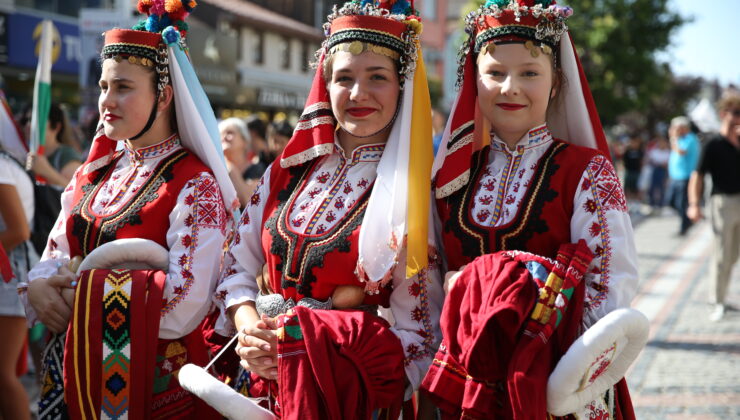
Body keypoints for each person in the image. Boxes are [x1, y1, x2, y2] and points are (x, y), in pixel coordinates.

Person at [213, 1, 443, 418]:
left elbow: (422, 338)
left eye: (377, 77)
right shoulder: (286, 171)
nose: (358, 94)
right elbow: (236, 267)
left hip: (342, 400)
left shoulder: (413, 195)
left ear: (402, 86)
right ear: (325, 83)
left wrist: (307, 352)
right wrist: (249, 332)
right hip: (256, 387)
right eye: (344, 78)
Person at [18, 1, 238, 418]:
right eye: (103, 87)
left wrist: (78, 296)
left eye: (122, 87)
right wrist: (42, 287)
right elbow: (56, 253)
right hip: (76, 378)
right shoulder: (96, 173)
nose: (106, 101)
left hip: (154, 390)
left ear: (165, 95)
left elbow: (183, 306)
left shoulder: (195, 184)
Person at [423, 0, 639, 418]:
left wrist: (550, 369)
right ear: (474, 79)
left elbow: (612, 284)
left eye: (529, 73)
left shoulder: (585, 171)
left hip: (555, 383)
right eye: (495, 73)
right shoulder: (452, 179)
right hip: (464, 383)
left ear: (556, 82)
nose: (510, 87)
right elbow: (429, 281)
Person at [687, 93, 740, 322]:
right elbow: (697, 175)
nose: (739, 118)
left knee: (733, 255)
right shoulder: (713, 144)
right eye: (736, 113)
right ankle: (716, 301)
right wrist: (693, 204)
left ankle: (723, 297)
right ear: (724, 114)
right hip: (722, 203)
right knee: (720, 253)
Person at [0, 145, 36, 420]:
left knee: (3, 375)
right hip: (12, 272)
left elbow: (19, 230)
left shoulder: (2, 168)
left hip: (10, 275)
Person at [23, 103, 84, 188]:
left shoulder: (66, 155)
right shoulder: (25, 152)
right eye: (26, 120)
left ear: (56, 126)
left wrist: (47, 171)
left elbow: (77, 191)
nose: (28, 125)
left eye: (36, 120)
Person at [666, 116, 699, 235]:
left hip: (685, 177)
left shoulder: (690, 138)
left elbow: (681, 151)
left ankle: (684, 226)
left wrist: (673, 137)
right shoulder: (680, 139)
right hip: (675, 177)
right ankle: (688, 220)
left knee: (681, 203)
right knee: (671, 201)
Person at [220, 117, 253, 208]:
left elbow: (247, 200)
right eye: (221, 134)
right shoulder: (215, 168)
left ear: (244, 141)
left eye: (230, 133)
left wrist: (230, 167)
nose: (224, 137)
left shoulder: (256, 169)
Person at [646, 135, 670, 211]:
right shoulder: (654, 151)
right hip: (655, 170)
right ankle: (652, 203)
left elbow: (667, 163)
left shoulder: (668, 152)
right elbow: (649, 160)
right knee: (652, 187)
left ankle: (661, 204)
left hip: (663, 171)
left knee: (662, 187)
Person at [622, 135, 644, 203]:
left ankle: (636, 202)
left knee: (636, 188)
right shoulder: (627, 152)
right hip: (629, 172)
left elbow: (642, 162)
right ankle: (627, 201)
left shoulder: (640, 152)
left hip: (637, 172)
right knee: (627, 188)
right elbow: (623, 161)